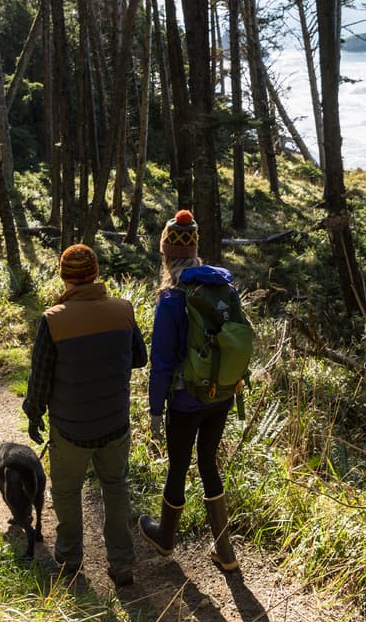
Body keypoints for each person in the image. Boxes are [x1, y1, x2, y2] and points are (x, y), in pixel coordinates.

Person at [23, 243, 147, 586]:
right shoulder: (123, 310)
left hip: (70, 428)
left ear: (65, 277)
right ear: (95, 274)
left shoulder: (53, 321)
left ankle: (70, 560)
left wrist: (34, 414)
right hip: (116, 423)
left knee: (66, 491)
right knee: (116, 487)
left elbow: (40, 378)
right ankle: (122, 564)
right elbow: (139, 358)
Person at [138, 209, 239, 572]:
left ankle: (165, 537)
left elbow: (162, 361)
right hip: (222, 393)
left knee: (179, 466)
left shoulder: (171, 299)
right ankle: (226, 552)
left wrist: (154, 410)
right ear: (196, 249)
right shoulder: (224, 287)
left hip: (185, 398)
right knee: (209, 461)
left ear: (165, 253)